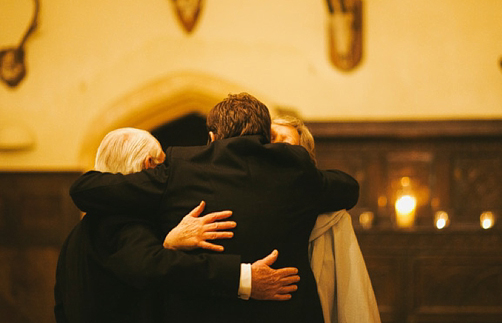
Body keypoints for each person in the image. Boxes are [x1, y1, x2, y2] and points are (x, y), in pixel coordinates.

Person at [68, 93, 360, 323]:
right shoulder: (296, 172)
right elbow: (348, 188)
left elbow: (85, 189)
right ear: (264, 138)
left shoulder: (181, 168)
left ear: (211, 137)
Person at [55, 127, 298, 323]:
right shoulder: (122, 222)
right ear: (148, 165)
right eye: (163, 165)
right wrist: (245, 279)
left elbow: (65, 305)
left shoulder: (75, 235)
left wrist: (166, 244)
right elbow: (155, 268)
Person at [272, 116, 381, 323]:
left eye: (285, 141)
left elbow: (348, 187)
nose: (275, 146)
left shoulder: (325, 205)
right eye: (270, 138)